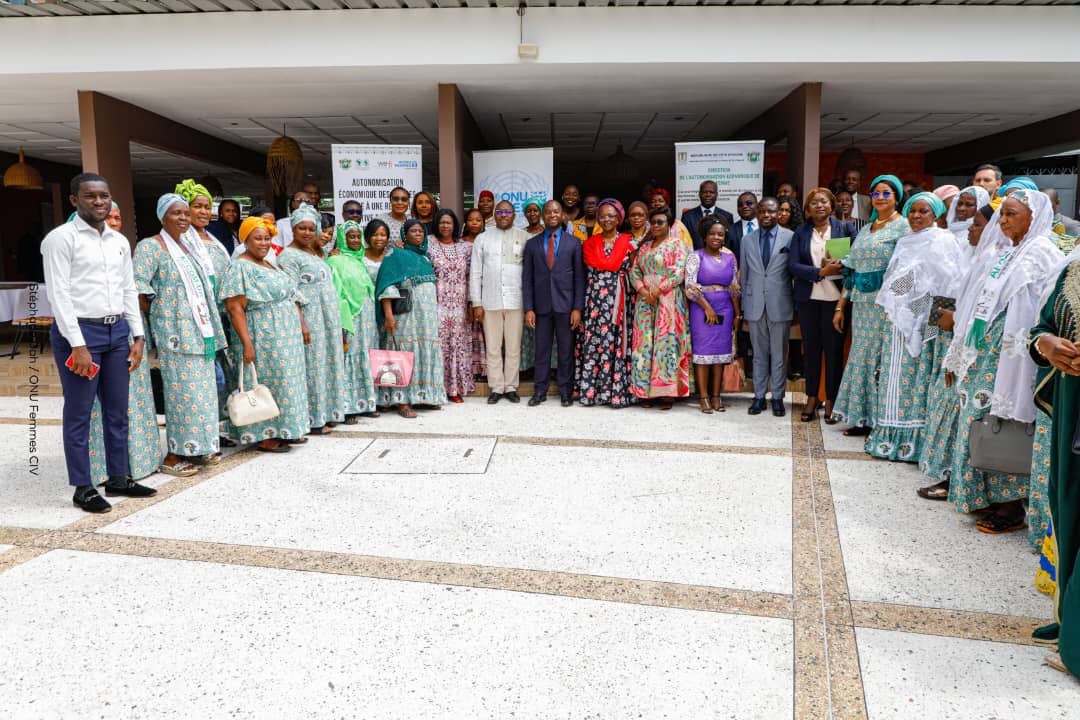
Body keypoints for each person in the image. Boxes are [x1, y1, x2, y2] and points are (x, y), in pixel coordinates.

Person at [933, 190, 1063, 533]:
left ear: (1035, 217)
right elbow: (971, 304)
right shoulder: (1001, 253)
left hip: (1012, 355)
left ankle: (1009, 504)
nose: (1002, 221)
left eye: (1011, 214)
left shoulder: (1043, 255)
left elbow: (1042, 311)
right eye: (1000, 214)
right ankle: (982, 493)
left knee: (1004, 422)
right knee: (978, 419)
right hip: (976, 349)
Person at [42, 173, 153, 513]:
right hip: (80, 336)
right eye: (91, 196)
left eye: (104, 196)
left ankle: (118, 477)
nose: (100, 202)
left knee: (117, 411)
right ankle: (83, 487)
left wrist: (137, 335)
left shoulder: (118, 241)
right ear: (75, 200)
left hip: (116, 333)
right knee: (79, 413)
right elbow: (58, 294)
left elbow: (127, 289)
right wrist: (77, 344)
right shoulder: (60, 239)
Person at [134, 192, 226, 474]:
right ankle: (174, 455)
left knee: (203, 395)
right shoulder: (151, 247)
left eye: (186, 213)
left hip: (200, 333)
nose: (184, 218)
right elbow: (139, 288)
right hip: (176, 336)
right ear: (163, 216)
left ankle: (198, 448)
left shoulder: (190, 248)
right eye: (177, 213)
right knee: (181, 395)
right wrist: (163, 319)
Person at [870, 192, 964, 462]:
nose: (916, 216)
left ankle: (913, 443)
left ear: (936, 214)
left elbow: (947, 282)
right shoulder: (905, 241)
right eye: (912, 211)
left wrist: (917, 309)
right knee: (893, 373)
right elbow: (896, 279)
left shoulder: (944, 240)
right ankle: (888, 437)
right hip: (899, 317)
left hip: (929, 318)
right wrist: (900, 300)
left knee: (918, 374)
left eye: (923, 211)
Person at [1028, 250, 1080, 679]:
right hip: (1071, 406)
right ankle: (1068, 616)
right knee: (1067, 505)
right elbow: (1041, 327)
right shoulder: (1074, 269)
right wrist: (1048, 345)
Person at [220, 217, 310, 452]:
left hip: (285, 337)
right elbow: (235, 307)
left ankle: (287, 428)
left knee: (285, 383)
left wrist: (301, 325)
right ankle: (265, 435)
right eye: (257, 238)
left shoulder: (269, 263)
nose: (263, 243)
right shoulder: (240, 265)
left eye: (267, 238)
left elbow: (290, 295)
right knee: (264, 383)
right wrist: (247, 344)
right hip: (263, 336)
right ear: (245, 240)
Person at [831, 175, 911, 437]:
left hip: (886, 306)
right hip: (861, 305)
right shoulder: (866, 228)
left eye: (886, 193)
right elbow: (851, 270)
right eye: (875, 193)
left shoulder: (904, 227)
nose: (879, 198)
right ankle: (861, 417)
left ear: (896, 197)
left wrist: (896, 298)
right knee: (861, 358)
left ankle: (881, 419)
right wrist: (841, 307)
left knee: (882, 360)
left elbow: (911, 270)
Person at [278, 204, 347, 434]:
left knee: (328, 362)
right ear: (293, 229)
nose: (307, 233)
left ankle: (329, 412)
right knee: (313, 365)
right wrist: (302, 323)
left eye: (311, 228)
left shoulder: (317, 253)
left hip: (328, 318)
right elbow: (291, 292)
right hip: (310, 318)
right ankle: (314, 418)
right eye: (302, 228)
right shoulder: (288, 256)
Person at [788, 188, 852, 423]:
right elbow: (793, 265)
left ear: (832, 205)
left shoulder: (843, 229)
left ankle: (832, 399)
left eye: (823, 201)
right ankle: (812, 397)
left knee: (833, 352)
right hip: (809, 300)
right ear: (807, 209)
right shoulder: (801, 232)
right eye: (813, 203)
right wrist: (820, 271)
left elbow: (853, 265)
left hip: (836, 302)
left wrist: (840, 266)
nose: (819, 206)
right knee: (811, 352)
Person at [376, 219, 448, 417]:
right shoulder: (396, 255)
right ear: (404, 235)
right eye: (413, 231)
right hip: (406, 317)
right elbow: (386, 285)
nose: (418, 234)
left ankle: (424, 395)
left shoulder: (425, 258)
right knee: (402, 354)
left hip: (426, 319)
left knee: (424, 352)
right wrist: (389, 316)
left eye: (420, 231)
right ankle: (402, 401)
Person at [523, 200, 585, 407]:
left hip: (566, 307)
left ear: (562, 216)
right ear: (543, 215)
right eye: (548, 212)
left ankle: (566, 391)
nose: (552, 215)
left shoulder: (574, 243)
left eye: (556, 211)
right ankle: (539, 391)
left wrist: (577, 308)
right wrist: (529, 308)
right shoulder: (532, 244)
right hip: (541, 307)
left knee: (566, 351)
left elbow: (579, 278)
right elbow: (527, 279)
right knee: (541, 350)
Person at [629, 206, 691, 409]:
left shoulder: (677, 244)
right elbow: (634, 271)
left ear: (669, 224)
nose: (655, 226)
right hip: (645, 301)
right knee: (644, 345)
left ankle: (666, 393)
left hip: (668, 300)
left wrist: (658, 290)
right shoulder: (644, 246)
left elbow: (679, 271)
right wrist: (643, 291)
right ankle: (645, 392)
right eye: (653, 222)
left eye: (660, 222)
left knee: (666, 345)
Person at [576, 198, 636, 408]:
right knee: (596, 345)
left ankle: (616, 393)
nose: (607, 219)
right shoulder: (590, 243)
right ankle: (593, 392)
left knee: (616, 344)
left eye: (612, 215)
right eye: (603, 215)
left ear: (619, 218)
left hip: (619, 300)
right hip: (595, 302)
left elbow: (634, 272)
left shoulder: (629, 243)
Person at [741, 197, 794, 417]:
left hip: (780, 303)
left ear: (778, 213)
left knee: (779, 354)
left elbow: (792, 273)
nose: (766, 215)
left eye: (770, 212)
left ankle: (778, 397)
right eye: (762, 211)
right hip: (755, 305)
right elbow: (744, 275)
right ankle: (759, 396)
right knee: (759, 354)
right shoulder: (747, 240)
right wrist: (744, 305)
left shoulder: (790, 237)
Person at [470, 200, 527, 404]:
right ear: (494, 215)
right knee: (493, 347)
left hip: (516, 300)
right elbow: (475, 272)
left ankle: (511, 386)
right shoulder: (483, 239)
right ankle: (496, 387)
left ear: (514, 215)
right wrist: (476, 302)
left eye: (508, 212)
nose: (504, 215)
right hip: (489, 301)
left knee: (513, 347)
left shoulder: (524, 237)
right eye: (500, 212)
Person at [326, 220, 379, 421]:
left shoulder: (359, 260)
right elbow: (336, 293)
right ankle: (347, 407)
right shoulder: (335, 261)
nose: (356, 240)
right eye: (351, 236)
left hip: (366, 318)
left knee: (365, 355)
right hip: (350, 319)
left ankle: (366, 402)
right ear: (342, 239)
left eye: (358, 236)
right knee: (349, 358)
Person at [686, 215, 740, 413]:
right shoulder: (696, 257)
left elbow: (734, 288)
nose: (717, 237)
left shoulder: (729, 257)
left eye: (720, 234)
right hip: (701, 308)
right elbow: (690, 287)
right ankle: (703, 397)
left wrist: (737, 314)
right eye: (712, 234)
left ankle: (717, 396)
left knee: (720, 354)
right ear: (704, 236)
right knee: (703, 353)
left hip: (725, 307)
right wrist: (707, 307)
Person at [427, 208, 475, 402]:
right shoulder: (428, 243)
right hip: (437, 304)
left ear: (455, 225)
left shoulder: (465, 247)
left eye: (448, 222)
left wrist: (471, 304)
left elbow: (471, 277)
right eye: (441, 222)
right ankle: (437, 388)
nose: (445, 226)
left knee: (457, 345)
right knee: (439, 346)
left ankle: (454, 389)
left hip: (459, 306)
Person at [460, 208, 488, 378]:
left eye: (478, 220)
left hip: (486, 291)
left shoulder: (488, 241)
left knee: (485, 330)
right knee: (469, 329)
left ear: (483, 223)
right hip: (466, 290)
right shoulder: (460, 243)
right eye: (471, 220)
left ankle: (483, 369)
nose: (475, 223)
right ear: (466, 223)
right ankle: (470, 369)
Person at [943, 186, 991, 265]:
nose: (961, 208)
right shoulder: (945, 232)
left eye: (969, 205)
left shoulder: (978, 233)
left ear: (980, 206)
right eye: (960, 204)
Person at [682, 180, 734, 249]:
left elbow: (728, 242)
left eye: (711, 192)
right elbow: (684, 242)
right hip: (695, 257)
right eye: (705, 192)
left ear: (716, 195)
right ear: (699, 194)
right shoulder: (688, 216)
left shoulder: (727, 217)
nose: (708, 195)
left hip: (718, 258)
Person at [728, 192, 757, 261]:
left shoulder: (765, 226)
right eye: (740, 205)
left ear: (757, 205)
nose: (744, 206)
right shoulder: (731, 230)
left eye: (749, 203)